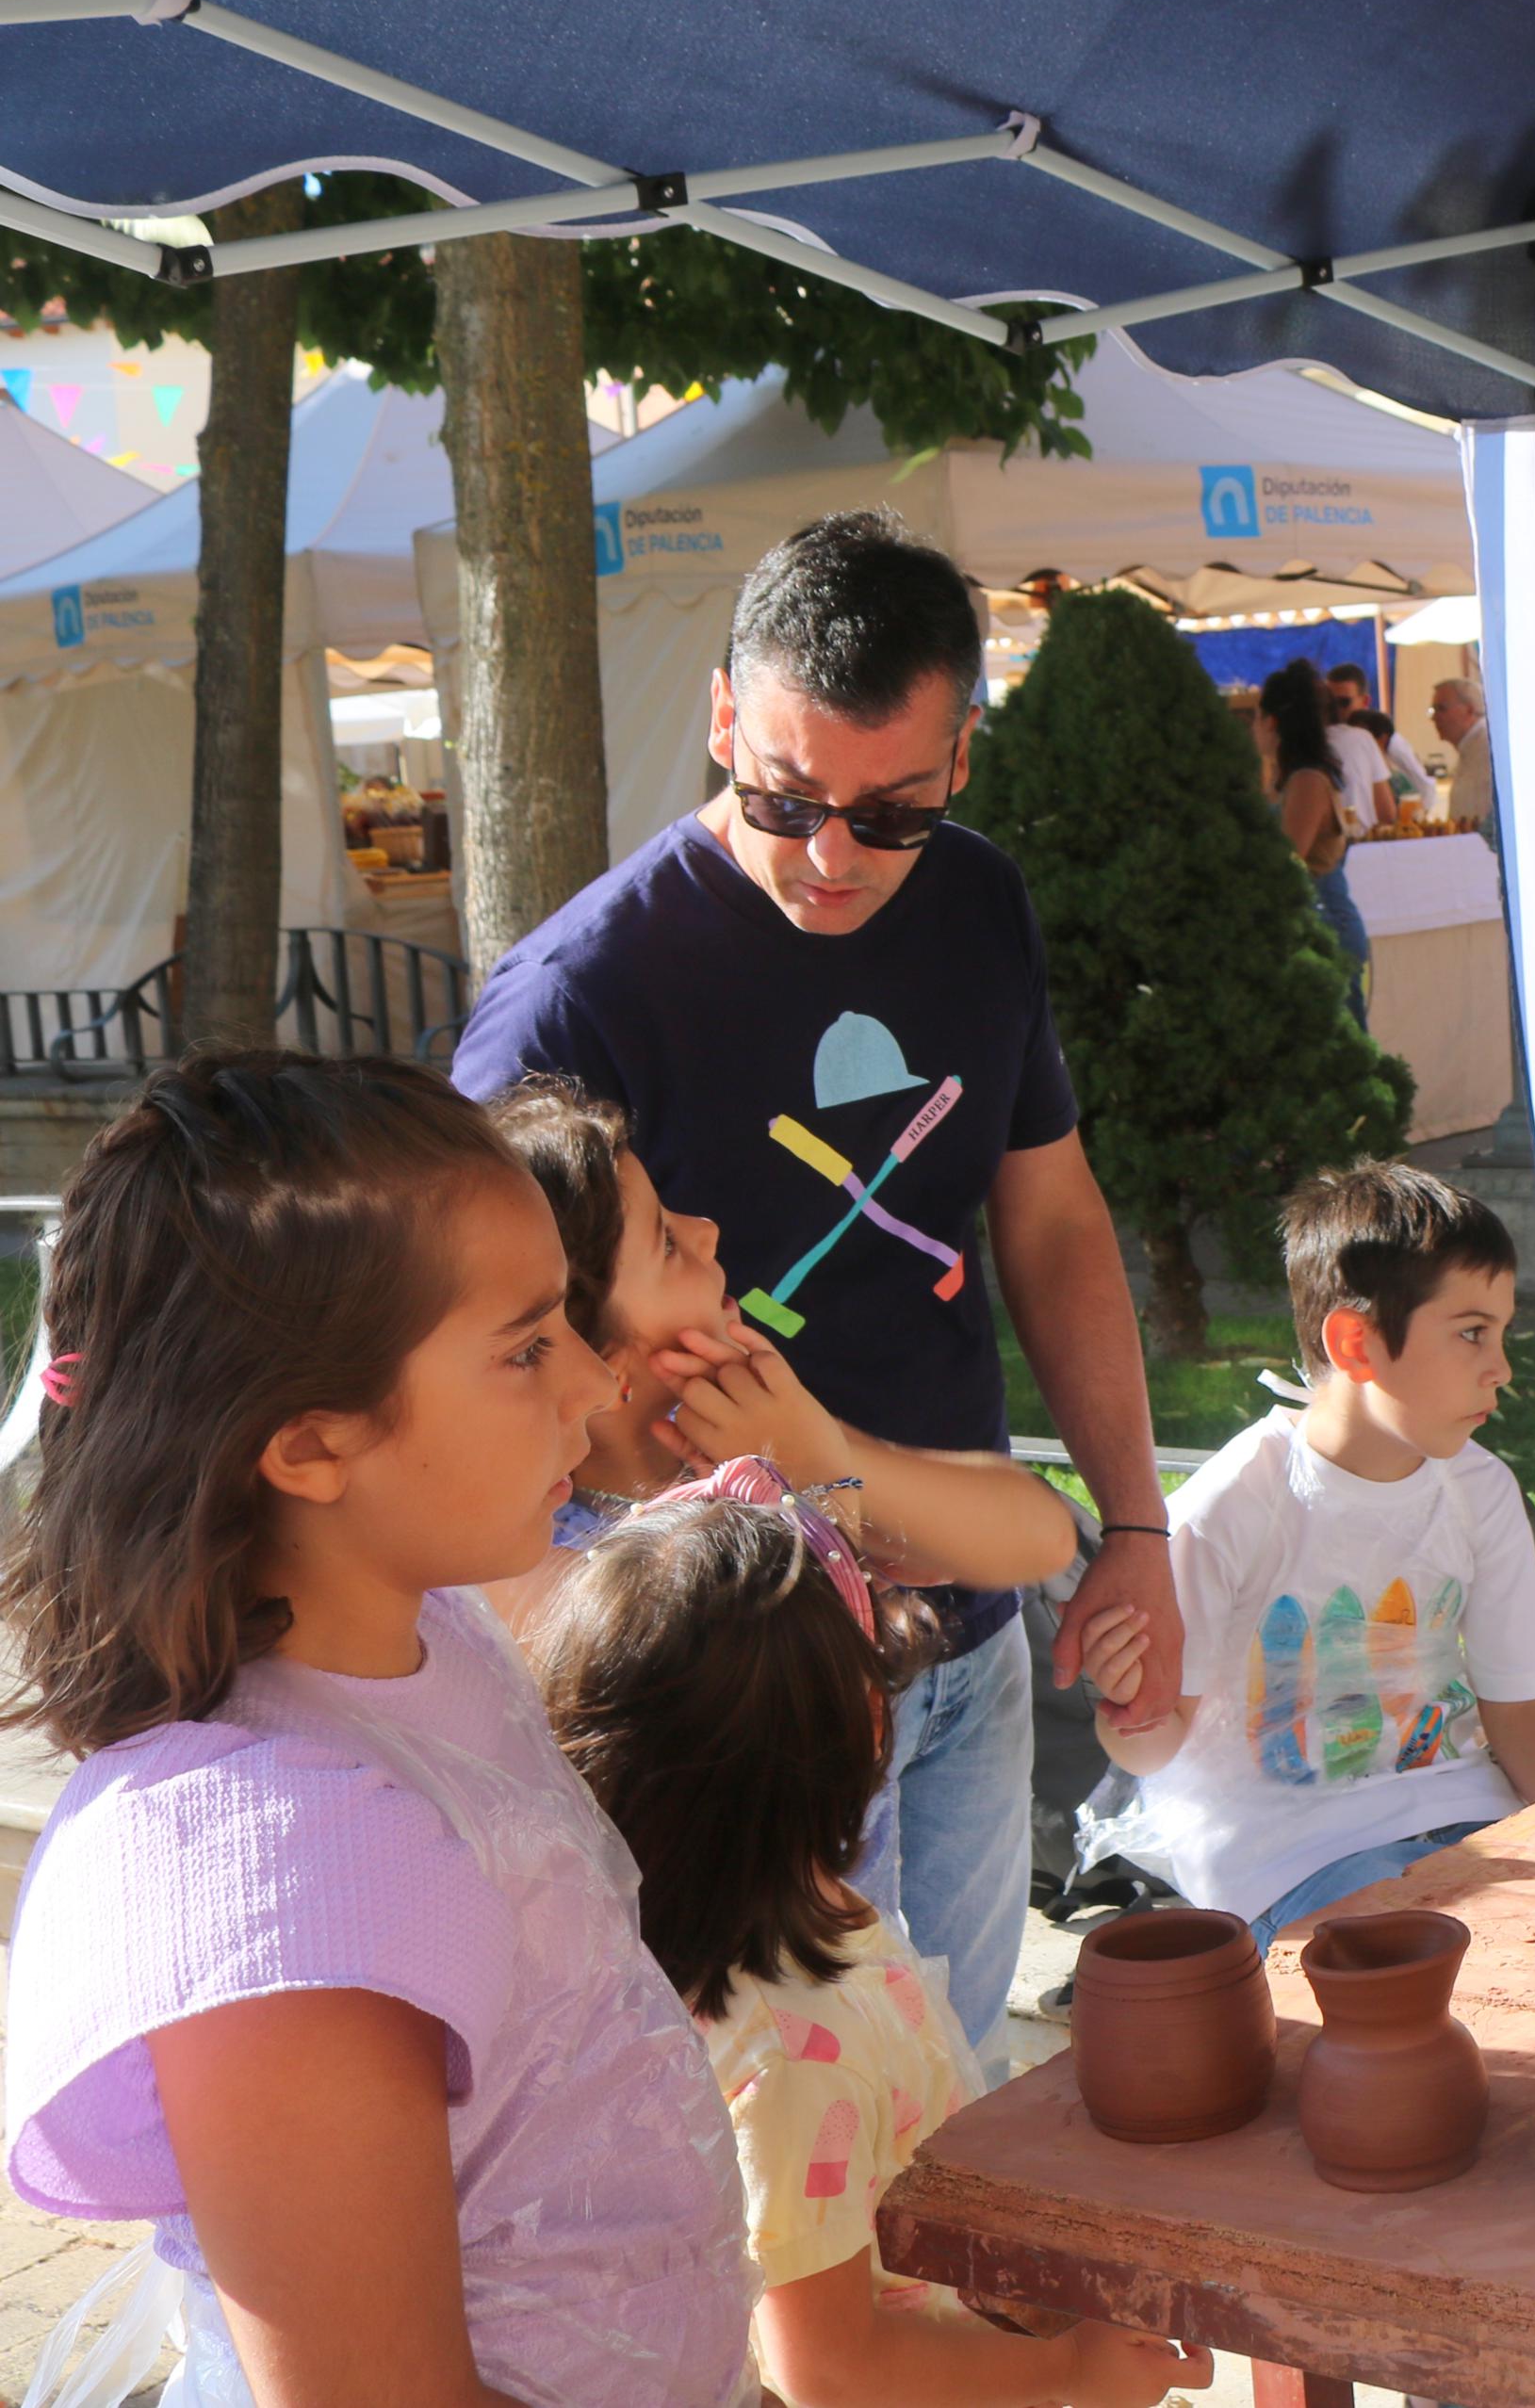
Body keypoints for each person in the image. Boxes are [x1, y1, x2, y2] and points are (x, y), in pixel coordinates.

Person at [452, 509, 1182, 2066]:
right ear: (722, 716)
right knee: (786, 2140)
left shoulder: (978, 905)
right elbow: (467, 1365)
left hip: (964, 1636)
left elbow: (1049, 1217)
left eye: (893, 813)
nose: (836, 857)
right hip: (729, 1685)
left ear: (962, 757)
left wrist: (1134, 1526)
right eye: (785, 801)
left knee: (955, 2085)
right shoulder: (577, 998)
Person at [0, 1053, 756, 2406]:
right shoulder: (275, 1870)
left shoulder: (437, 1635)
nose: (593, 1378)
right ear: (307, 1445)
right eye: (526, 1345)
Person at [539, 1491, 1203, 2408]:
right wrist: (1069, 2370)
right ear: (857, 1739)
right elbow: (828, 2368)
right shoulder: (785, 2049)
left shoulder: (802, 1915)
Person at [1082, 1164, 1535, 1941]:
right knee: (1411, 1972)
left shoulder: (1481, 1490)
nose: (1503, 1367)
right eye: (1471, 1332)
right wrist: (1123, 1700)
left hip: (1466, 1816)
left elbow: (1519, 1717)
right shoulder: (1229, 1508)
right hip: (1287, 1853)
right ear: (1355, 1343)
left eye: (1503, 1332)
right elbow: (1147, 1745)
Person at [485, 1077, 1079, 1635]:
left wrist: (818, 1454)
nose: (706, 1230)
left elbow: (1042, 1536)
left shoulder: (735, 1431)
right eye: (665, 1243)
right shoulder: (557, 1572)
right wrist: (824, 1501)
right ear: (599, 1372)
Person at [1259, 661, 1371, 1023]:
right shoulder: (1291, 777)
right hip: (1312, 922)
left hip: (1324, 924)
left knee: (1338, 1048)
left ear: (1272, 721)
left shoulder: (1307, 780)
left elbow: (1287, 861)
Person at [1328, 662, 1430, 818]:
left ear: (1365, 701)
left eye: (1343, 702)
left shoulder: (1383, 736)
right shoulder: (1326, 738)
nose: (1335, 710)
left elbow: (1425, 789)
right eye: (1329, 703)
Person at [1430, 675, 1494, 845]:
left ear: (1469, 710)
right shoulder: (1471, 746)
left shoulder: (1489, 745)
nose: (1434, 718)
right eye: (1432, 710)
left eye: (1441, 709)